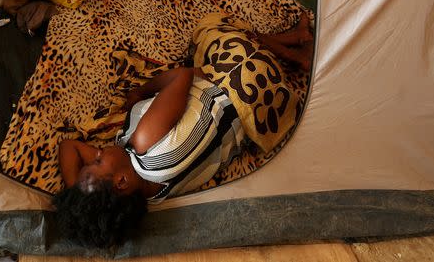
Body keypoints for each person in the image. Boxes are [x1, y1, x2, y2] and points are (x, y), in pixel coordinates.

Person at [53, 13, 313, 248]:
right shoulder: (145, 142)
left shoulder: (149, 195)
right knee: (208, 27)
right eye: (98, 160)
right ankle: (294, 52)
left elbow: (68, 147)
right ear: (121, 181)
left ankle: (291, 40)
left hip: (261, 108)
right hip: (245, 80)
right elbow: (183, 75)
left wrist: (77, 196)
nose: (97, 152)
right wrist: (139, 92)